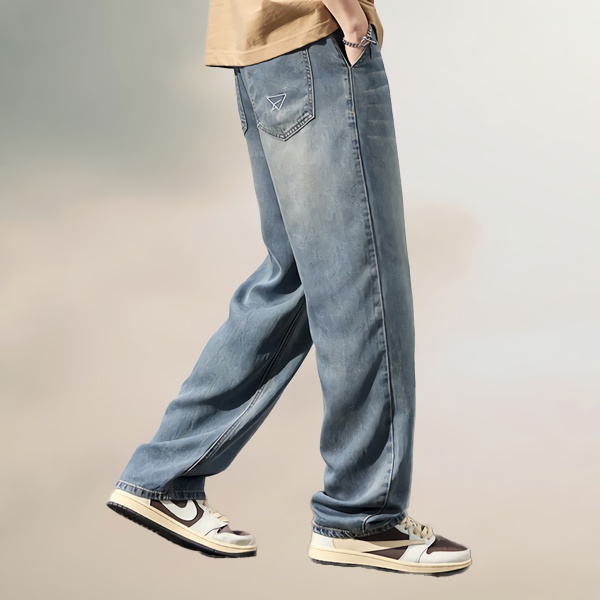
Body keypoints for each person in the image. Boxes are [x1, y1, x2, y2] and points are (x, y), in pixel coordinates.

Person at [107, 0, 472, 575]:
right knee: (364, 282)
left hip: (266, 51)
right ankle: (362, 516)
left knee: (299, 278)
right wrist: (351, 19)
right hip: (314, 44)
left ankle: (162, 476)